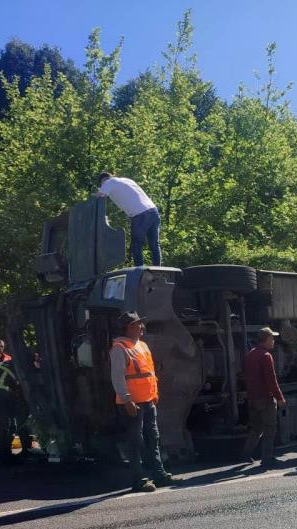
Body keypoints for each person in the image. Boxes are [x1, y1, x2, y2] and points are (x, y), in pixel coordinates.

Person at [110, 311, 171, 492]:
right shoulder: (119, 348)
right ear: (129, 327)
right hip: (132, 403)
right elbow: (118, 377)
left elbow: (150, 373)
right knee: (135, 441)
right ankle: (139, 479)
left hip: (148, 400)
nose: (142, 327)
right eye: (138, 324)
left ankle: (159, 474)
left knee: (153, 438)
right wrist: (127, 400)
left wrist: (155, 393)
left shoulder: (142, 345)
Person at [241, 327, 287, 469]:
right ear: (266, 339)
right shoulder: (266, 356)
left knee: (256, 428)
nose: (273, 341)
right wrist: (280, 398)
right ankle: (267, 458)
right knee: (270, 428)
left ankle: (246, 453)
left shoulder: (250, 354)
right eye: (272, 338)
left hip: (253, 398)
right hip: (265, 399)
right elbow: (271, 380)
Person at [95, 172, 161, 266]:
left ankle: (139, 270)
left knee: (136, 246)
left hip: (140, 215)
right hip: (153, 211)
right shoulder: (128, 180)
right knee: (154, 245)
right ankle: (158, 269)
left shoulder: (108, 182)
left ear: (103, 181)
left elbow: (98, 196)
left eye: (101, 185)